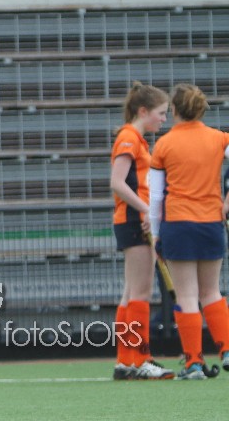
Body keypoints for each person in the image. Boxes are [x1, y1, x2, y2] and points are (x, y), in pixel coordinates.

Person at [148, 82, 229, 380]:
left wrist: (155, 233)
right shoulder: (219, 138)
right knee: (212, 291)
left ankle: (194, 361)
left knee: (187, 294)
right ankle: (226, 349)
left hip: (178, 224)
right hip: (211, 223)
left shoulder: (165, 144)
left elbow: (155, 197)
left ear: (174, 109)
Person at [108, 81, 173, 380]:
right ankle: (140, 359)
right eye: (160, 113)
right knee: (141, 293)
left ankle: (126, 361)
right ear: (143, 111)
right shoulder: (128, 137)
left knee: (130, 293)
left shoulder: (136, 139)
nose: (164, 119)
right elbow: (117, 182)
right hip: (134, 220)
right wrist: (146, 210)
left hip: (133, 219)